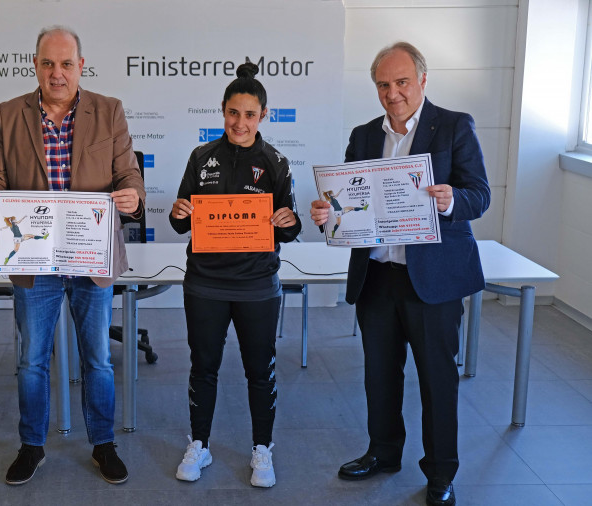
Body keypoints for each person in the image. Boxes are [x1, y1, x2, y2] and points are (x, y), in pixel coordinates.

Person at [310, 42, 490, 506]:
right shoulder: (364, 135)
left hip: (433, 280)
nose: (393, 93)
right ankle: (384, 452)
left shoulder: (453, 126)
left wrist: (450, 200)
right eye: (384, 85)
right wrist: (328, 213)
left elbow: (480, 195)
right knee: (380, 375)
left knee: (437, 380)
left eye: (402, 82)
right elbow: (346, 204)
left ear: (422, 81)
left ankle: (440, 473)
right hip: (378, 276)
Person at [0, 26, 144, 486]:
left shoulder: (109, 112)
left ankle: (103, 444)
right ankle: (32, 446)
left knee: (98, 359)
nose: (57, 73)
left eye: (66, 64)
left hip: (92, 256)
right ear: (35, 65)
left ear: (80, 67)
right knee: (32, 360)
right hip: (35, 262)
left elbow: (128, 172)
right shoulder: (10, 114)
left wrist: (130, 194)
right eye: (48, 63)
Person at [168, 62, 302, 488]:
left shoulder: (276, 162)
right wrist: (178, 212)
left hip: (257, 285)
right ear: (222, 112)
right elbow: (179, 222)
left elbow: (293, 227)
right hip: (205, 282)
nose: (239, 123)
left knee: (260, 370)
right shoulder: (200, 157)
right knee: (203, 366)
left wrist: (288, 220)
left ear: (263, 115)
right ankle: (200, 444)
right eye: (232, 113)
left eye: (249, 114)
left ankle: (262, 449)